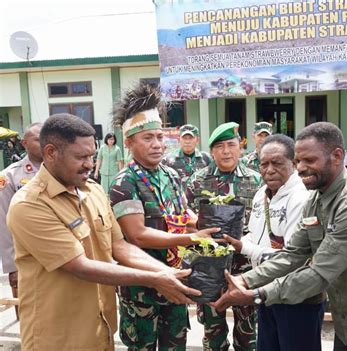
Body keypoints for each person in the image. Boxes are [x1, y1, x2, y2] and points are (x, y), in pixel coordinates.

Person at [213, 122, 347, 350]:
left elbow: (320, 272)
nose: (301, 168)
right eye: (298, 161)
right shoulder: (316, 199)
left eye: (310, 161)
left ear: (336, 156)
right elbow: (293, 254)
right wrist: (244, 280)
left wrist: (256, 295)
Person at [6, 114, 201, 350]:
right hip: (58, 336)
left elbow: (120, 245)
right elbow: (79, 266)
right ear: (50, 152)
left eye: (92, 155)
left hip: (101, 329)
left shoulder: (93, 191)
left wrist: (169, 273)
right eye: (81, 157)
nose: (90, 164)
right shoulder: (30, 204)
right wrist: (155, 279)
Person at [109, 84, 219, 350]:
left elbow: (183, 214)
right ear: (129, 142)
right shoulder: (125, 182)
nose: (157, 144)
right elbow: (137, 234)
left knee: (176, 343)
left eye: (160, 137)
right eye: (148, 138)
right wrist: (190, 238)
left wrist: (208, 223)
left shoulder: (170, 174)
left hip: (176, 280)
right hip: (142, 291)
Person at [224, 134, 325, 351]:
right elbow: (253, 234)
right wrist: (232, 241)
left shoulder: (302, 197)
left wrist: (244, 247)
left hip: (297, 297)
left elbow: (294, 257)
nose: (269, 170)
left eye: (277, 163)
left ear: (294, 163)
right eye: (264, 164)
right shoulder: (262, 193)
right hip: (267, 292)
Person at [186, 122, 262, 351]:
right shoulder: (198, 181)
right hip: (209, 270)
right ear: (211, 151)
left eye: (231, 145)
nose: (226, 151)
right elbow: (184, 217)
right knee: (213, 332)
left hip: (246, 268)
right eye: (220, 146)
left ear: (241, 147)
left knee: (248, 333)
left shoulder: (256, 180)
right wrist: (198, 226)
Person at [0, 123, 42, 319]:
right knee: (30, 317)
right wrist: (11, 266)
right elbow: (4, 223)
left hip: (60, 255)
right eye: (38, 139)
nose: (44, 143)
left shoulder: (61, 170)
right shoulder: (9, 177)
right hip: (26, 259)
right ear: (25, 144)